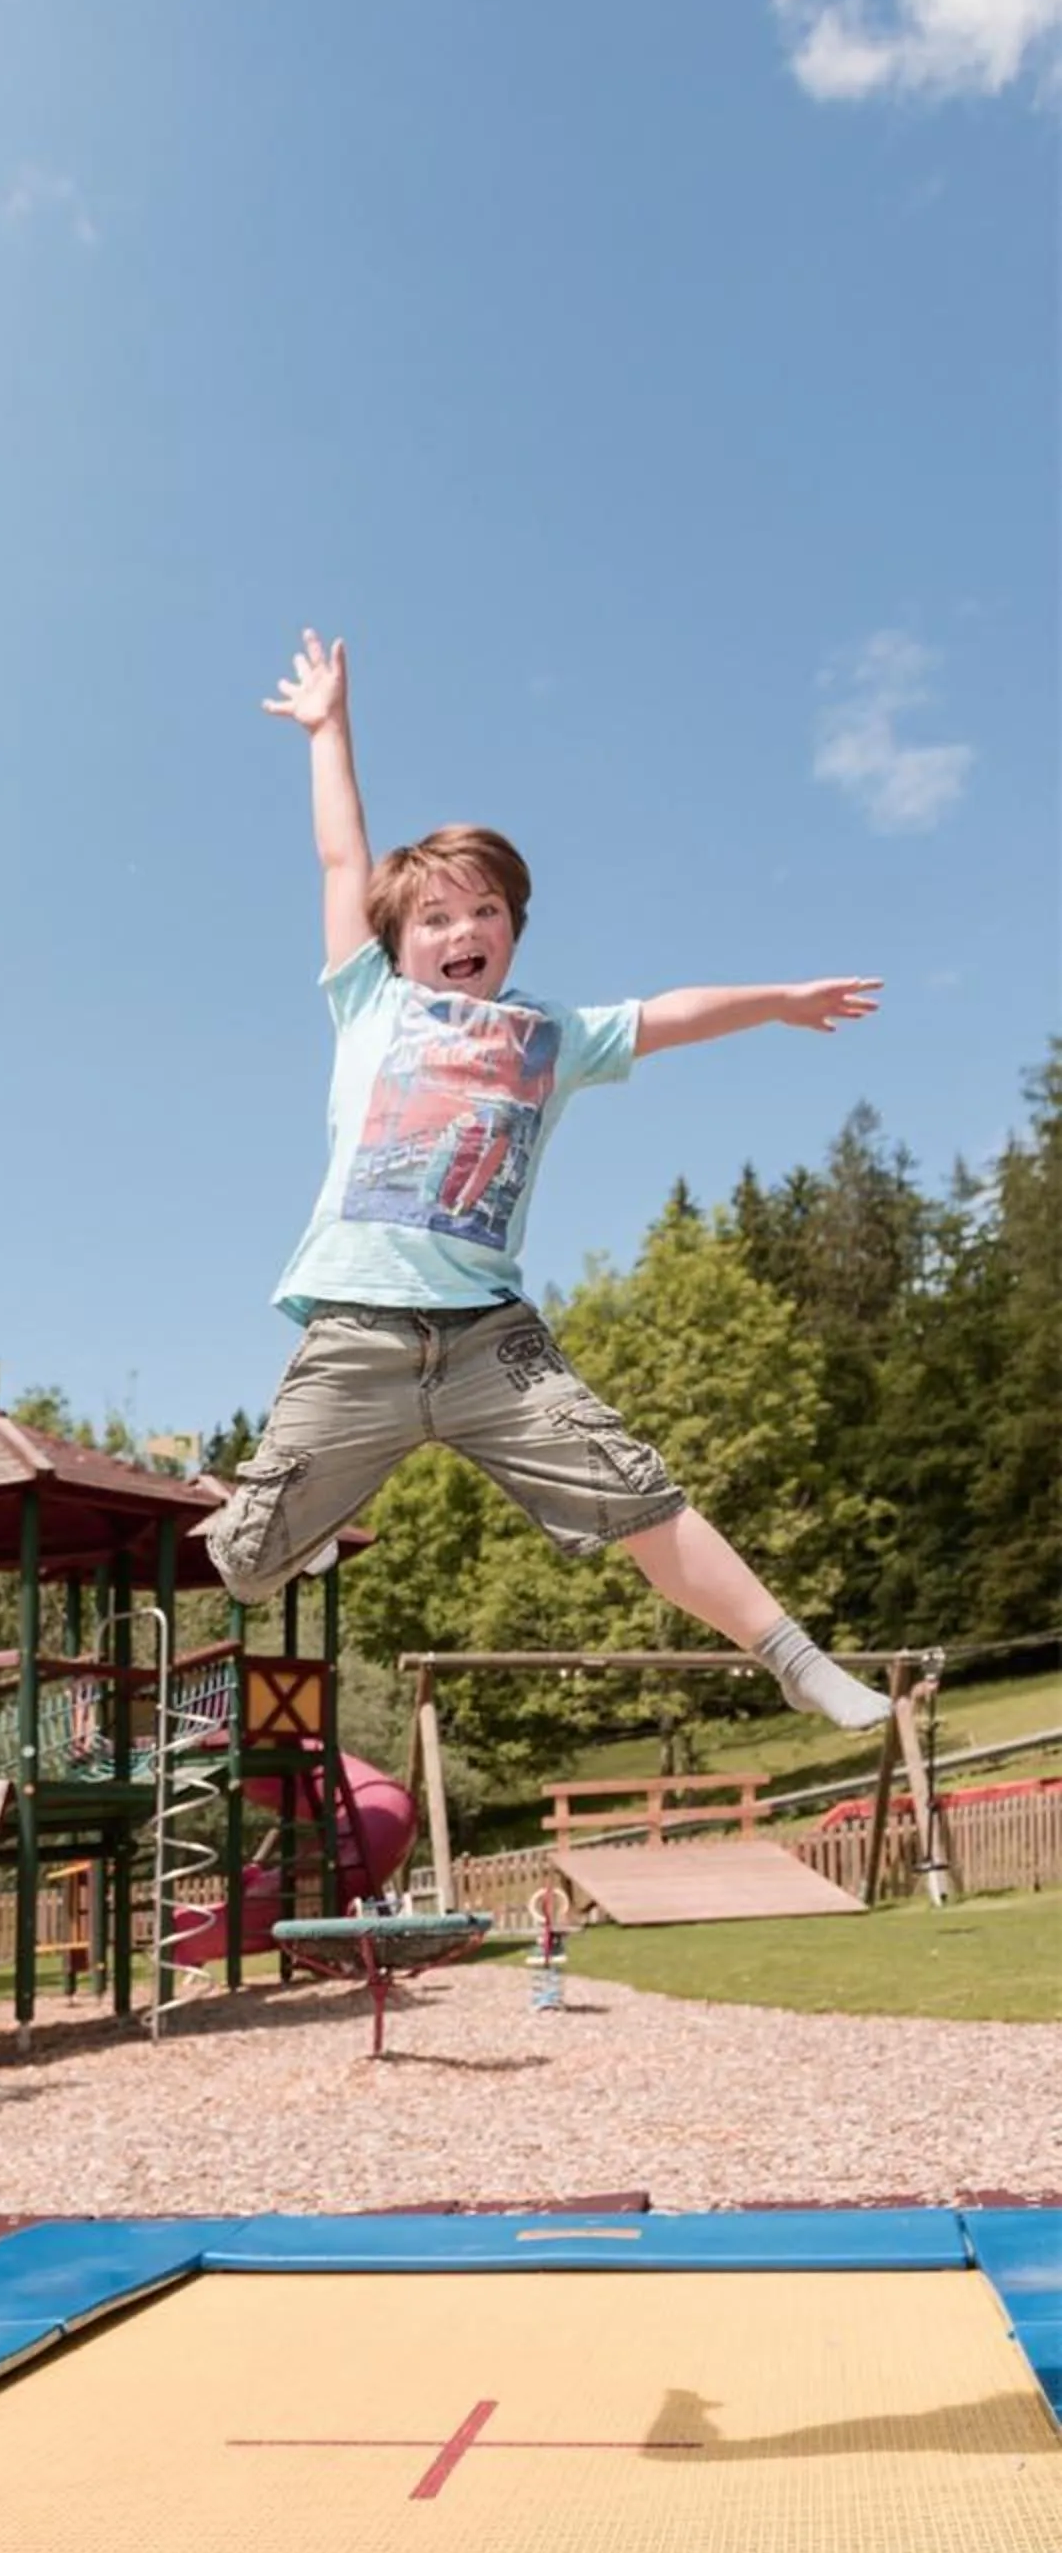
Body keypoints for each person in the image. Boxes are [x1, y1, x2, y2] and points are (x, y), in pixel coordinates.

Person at [202, 630, 891, 1737]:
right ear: (399, 943)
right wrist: (328, 729)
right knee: (244, 1563)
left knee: (635, 1490)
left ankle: (794, 1658)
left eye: (483, 912)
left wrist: (778, 999)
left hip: (486, 1341)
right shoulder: (368, 1003)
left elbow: (669, 1012)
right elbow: (344, 861)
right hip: (357, 1336)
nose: (460, 930)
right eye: (434, 917)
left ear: (512, 928)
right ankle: (310, 1510)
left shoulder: (551, 1034)